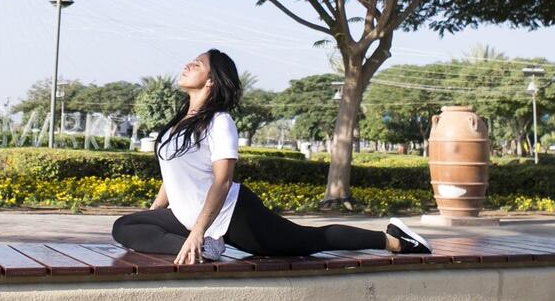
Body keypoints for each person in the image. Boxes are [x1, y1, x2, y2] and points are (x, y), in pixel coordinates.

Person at [112, 49, 432, 265]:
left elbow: (222, 183)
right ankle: (206, 248)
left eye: (196, 64)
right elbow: (172, 172)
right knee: (124, 228)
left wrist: (197, 231)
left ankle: (393, 240)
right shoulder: (179, 122)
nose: (186, 66)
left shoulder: (219, 122)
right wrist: (155, 213)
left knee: (307, 241)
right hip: (189, 217)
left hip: (232, 214)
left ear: (211, 80)